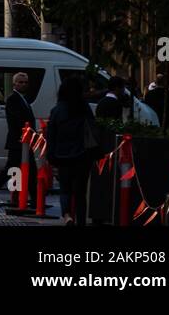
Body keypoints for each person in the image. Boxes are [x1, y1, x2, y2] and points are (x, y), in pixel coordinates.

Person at [45, 75, 98, 225]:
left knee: (65, 188)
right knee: (80, 192)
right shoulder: (84, 108)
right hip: (83, 155)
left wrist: (51, 155)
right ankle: (81, 221)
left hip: (62, 155)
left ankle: (67, 215)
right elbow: (93, 130)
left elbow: (51, 135)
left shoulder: (57, 110)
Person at [0, 71, 35, 205]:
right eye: (20, 82)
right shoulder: (13, 99)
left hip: (23, 141)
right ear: (14, 84)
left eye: (25, 82)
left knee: (21, 170)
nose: (23, 84)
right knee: (13, 170)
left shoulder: (23, 98)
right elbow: (18, 120)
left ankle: (33, 199)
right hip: (18, 141)